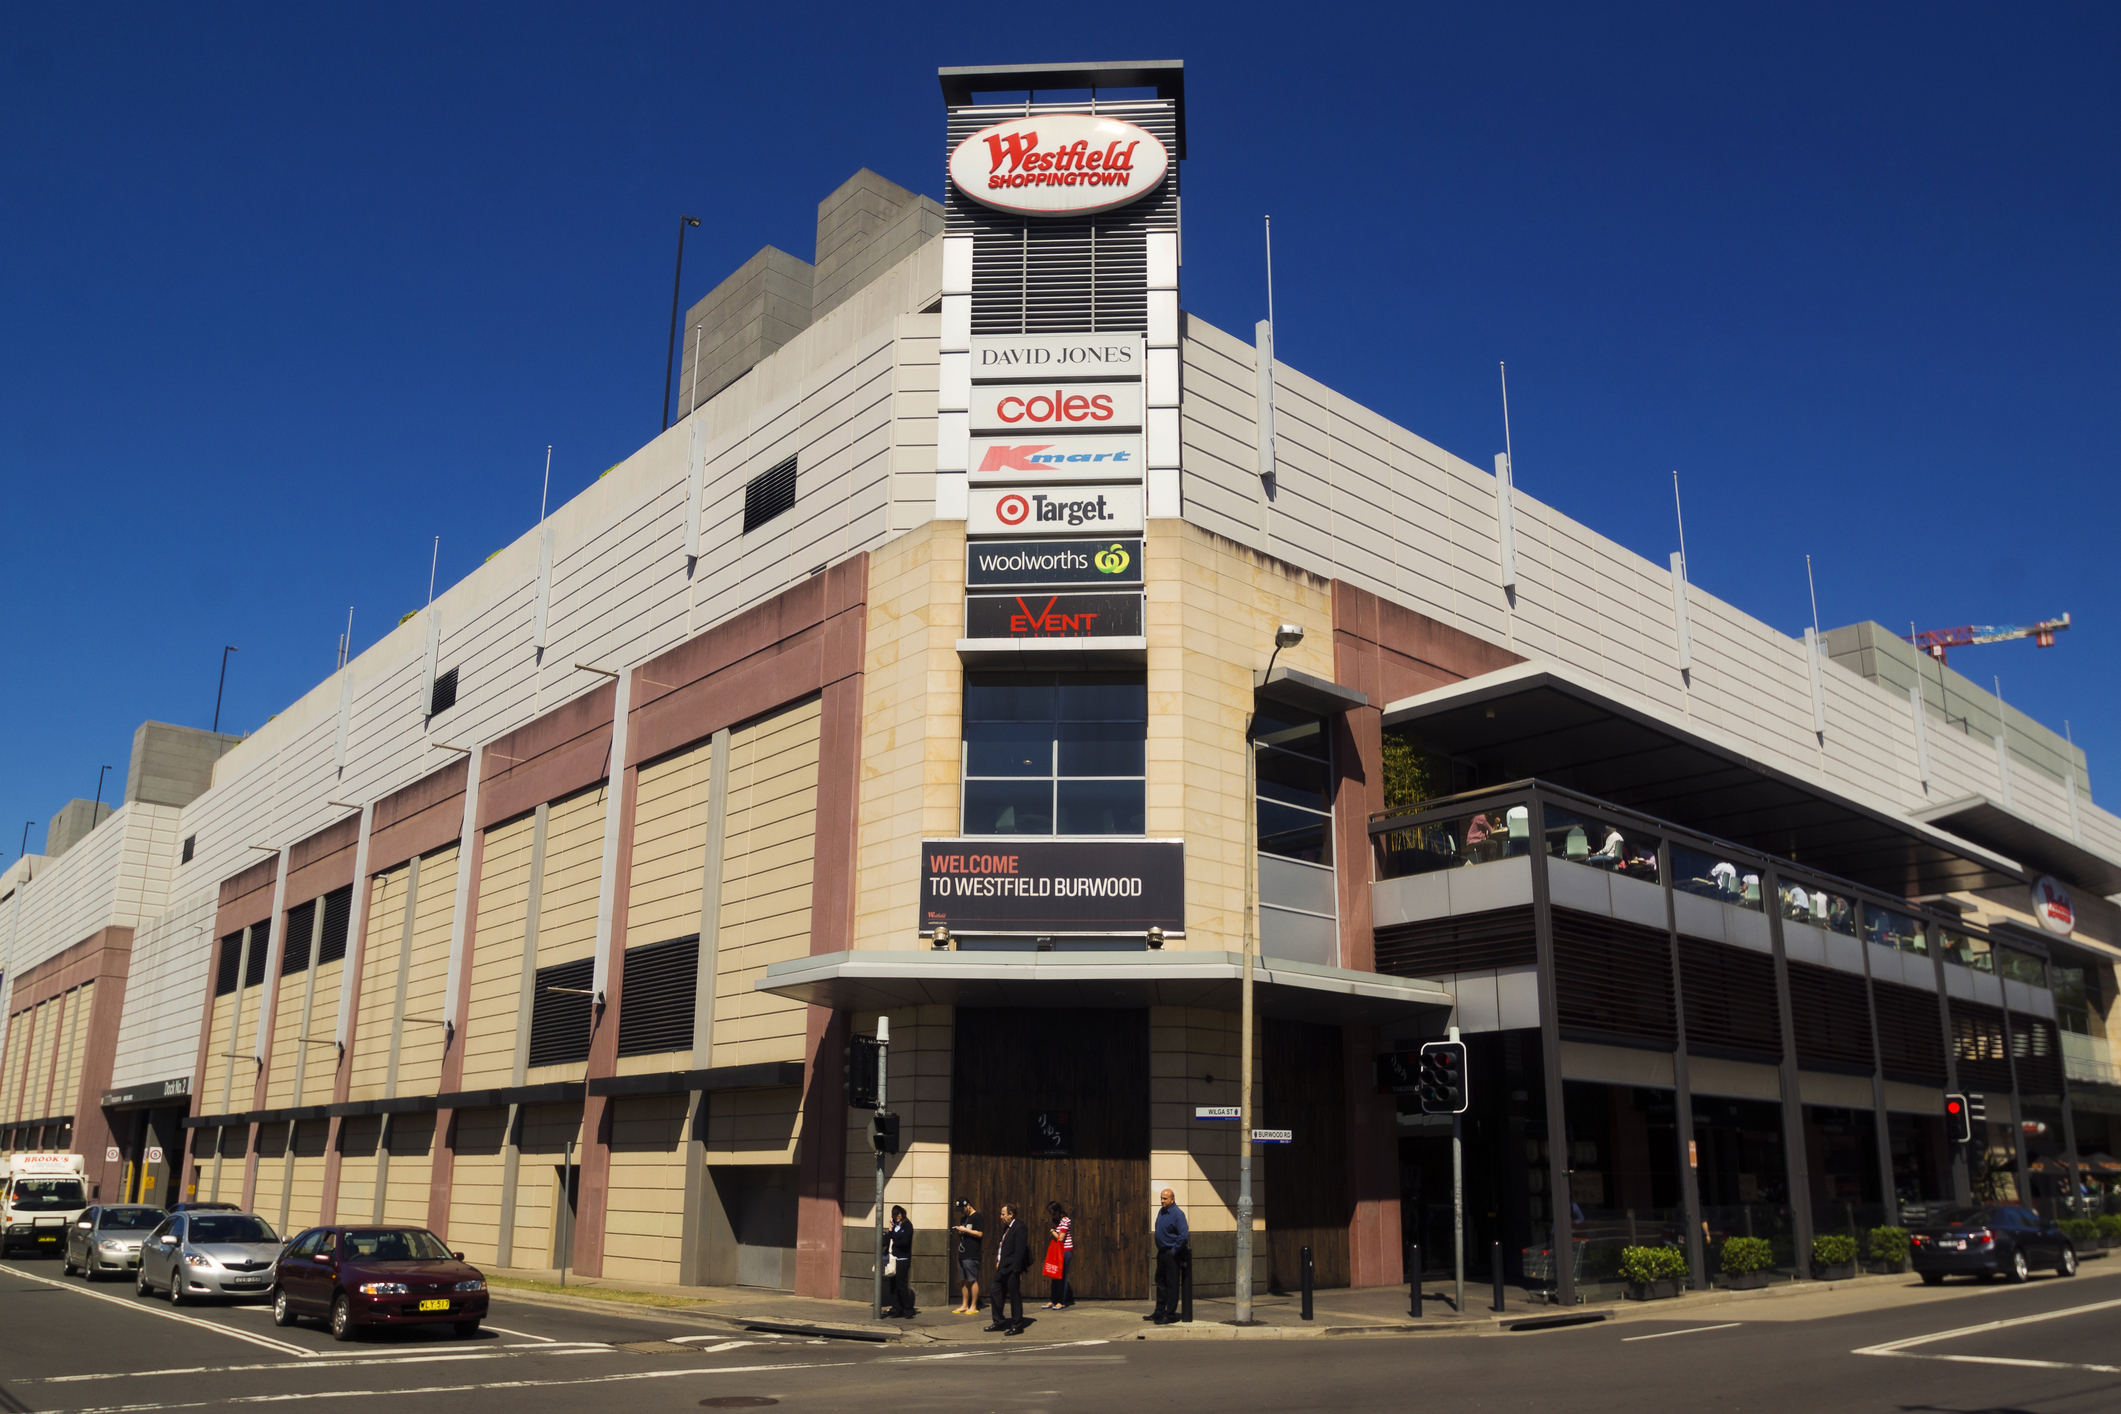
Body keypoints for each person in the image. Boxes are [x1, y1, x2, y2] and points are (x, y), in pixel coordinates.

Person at [1147, 1187, 1188, 1324]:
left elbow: (1183, 1236)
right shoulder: (1162, 1211)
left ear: (1172, 1199)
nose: (1162, 1201)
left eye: (1165, 1198)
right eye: (1161, 1198)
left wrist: (1173, 1251)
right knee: (1161, 1282)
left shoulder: (1177, 1214)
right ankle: (1159, 1312)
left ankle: (1170, 1314)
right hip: (1162, 1252)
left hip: (1171, 1253)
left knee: (1171, 1284)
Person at [987, 1203, 1027, 1335]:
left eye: (1003, 1214)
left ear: (1011, 1214)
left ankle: (1017, 1325)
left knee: (1014, 1296)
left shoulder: (1019, 1227)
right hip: (1002, 1267)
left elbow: (1020, 1250)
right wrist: (999, 1260)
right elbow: (1003, 1245)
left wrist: (1016, 1269)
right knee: (995, 1291)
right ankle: (998, 1321)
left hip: (1011, 1269)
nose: (1001, 1216)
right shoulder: (1007, 1228)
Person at [951, 1198, 983, 1316]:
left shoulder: (977, 1217)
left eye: (963, 1209)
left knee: (972, 1279)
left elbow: (980, 1233)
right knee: (963, 1280)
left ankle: (973, 1305)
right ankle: (964, 1304)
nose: (962, 1212)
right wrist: (960, 1231)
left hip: (972, 1253)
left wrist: (966, 1230)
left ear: (968, 1206)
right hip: (962, 1252)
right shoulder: (964, 1218)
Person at [1041, 1200, 1074, 1310]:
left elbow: (1061, 1238)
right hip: (1057, 1250)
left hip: (1065, 1250)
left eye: (1051, 1211)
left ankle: (1061, 1301)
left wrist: (1052, 1232)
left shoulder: (1065, 1220)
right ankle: (1053, 1300)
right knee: (1054, 1275)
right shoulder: (1057, 1221)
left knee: (1063, 1276)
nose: (1050, 1214)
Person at [885, 1204, 915, 1318]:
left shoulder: (907, 1226)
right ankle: (897, 1308)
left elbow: (905, 1242)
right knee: (894, 1285)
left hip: (903, 1259)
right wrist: (890, 1230)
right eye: (894, 1214)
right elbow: (888, 1240)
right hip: (893, 1259)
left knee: (901, 1285)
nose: (896, 1216)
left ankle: (908, 1308)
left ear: (902, 1214)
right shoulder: (895, 1226)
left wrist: (895, 1240)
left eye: (898, 1214)